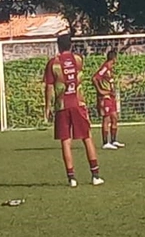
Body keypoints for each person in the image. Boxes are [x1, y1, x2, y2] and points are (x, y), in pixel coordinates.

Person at [43, 34, 103, 187]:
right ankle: (95, 175)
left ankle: (72, 178)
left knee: (66, 141)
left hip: (62, 106)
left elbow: (49, 87)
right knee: (87, 137)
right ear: (70, 45)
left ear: (58, 46)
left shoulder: (53, 63)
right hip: (78, 103)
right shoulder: (78, 59)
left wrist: (47, 107)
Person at [92, 49, 123, 149]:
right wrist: (100, 90)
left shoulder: (110, 68)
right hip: (105, 97)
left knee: (114, 117)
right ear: (114, 58)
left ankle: (113, 140)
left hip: (111, 97)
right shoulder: (105, 67)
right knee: (107, 118)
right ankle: (105, 142)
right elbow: (95, 78)